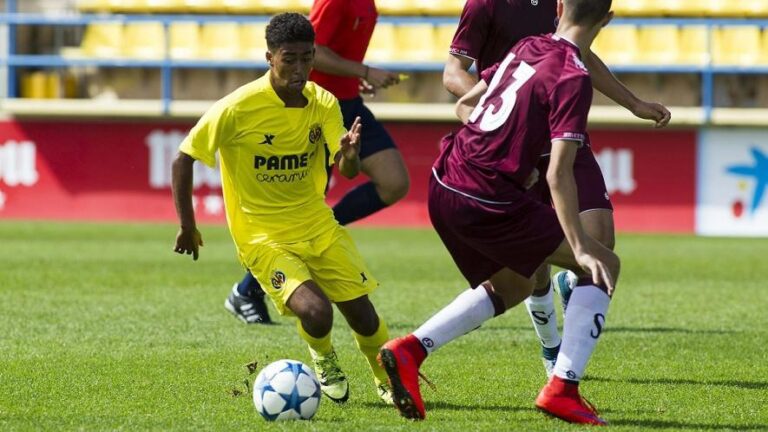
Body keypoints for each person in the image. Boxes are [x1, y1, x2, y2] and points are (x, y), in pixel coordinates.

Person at [379, 0, 622, 424]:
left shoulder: (528, 46)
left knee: (517, 283)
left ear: (559, 7)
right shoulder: (573, 77)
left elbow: (464, 105)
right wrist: (581, 247)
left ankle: (409, 350)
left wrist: (499, 149)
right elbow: (559, 173)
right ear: (606, 21)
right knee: (602, 263)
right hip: (487, 196)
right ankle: (562, 387)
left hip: (445, 179)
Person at [171, 13, 393, 405]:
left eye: (307, 58)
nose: (300, 68)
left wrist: (350, 156)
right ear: (269, 58)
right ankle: (323, 359)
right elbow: (183, 158)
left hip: (317, 224)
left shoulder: (322, 102)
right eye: (289, 59)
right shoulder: (239, 107)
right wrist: (187, 226)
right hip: (263, 236)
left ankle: (385, 377)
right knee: (317, 312)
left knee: (365, 316)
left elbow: (347, 168)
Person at [442, 0, 670, 376]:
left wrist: (633, 103)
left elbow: (581, 53)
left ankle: (571, 283)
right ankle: (551, 349)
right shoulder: (485, 4)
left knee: (600, 240)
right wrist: (496, 115)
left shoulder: (561, 2)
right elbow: (453, 73)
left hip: (561, 134)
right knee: (533, 267)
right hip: (513, 143)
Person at [224, 0, 409, 325]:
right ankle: (246, 290)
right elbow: (315, 51)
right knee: (304, 207)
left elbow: (334, 52)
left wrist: (355, 76)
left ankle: (316, 238)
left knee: (394, 183)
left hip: (349, 103)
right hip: (314, 107)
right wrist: (364, 70)